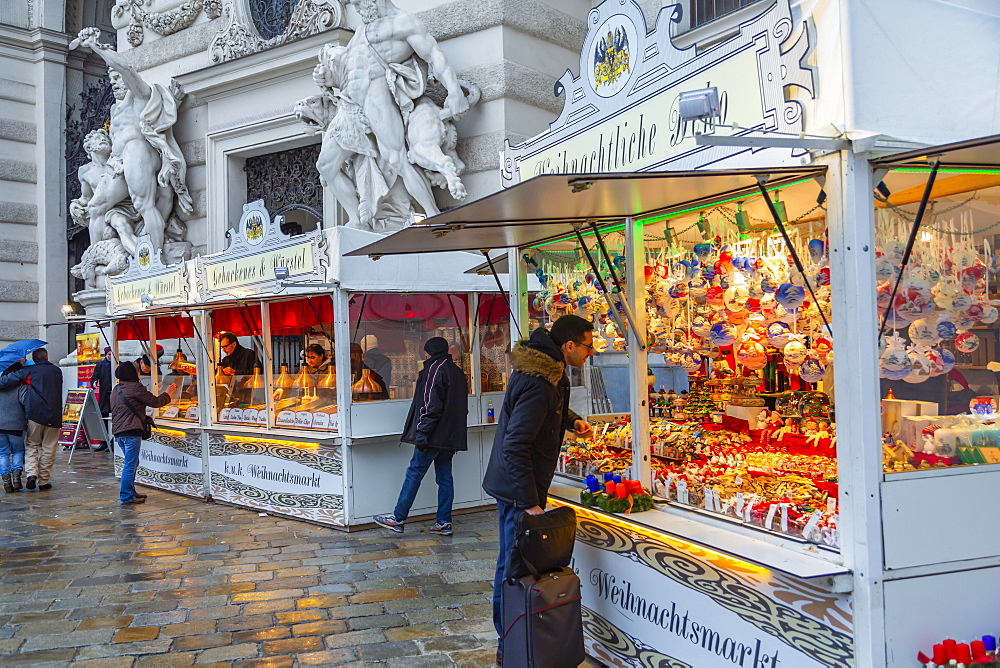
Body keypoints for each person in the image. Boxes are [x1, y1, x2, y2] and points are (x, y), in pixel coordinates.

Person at [481, 315, 595, 662]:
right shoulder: (540, 380)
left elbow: (546, 408)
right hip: (518, 487)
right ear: (570, 346)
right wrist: (530, 502)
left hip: (518, 483)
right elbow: (516, 444)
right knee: (512, 566)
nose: (591, 352)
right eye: (589, 346)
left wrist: (571, 420)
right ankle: (509, 643)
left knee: (513, 562)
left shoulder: (548, 371)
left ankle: (514, 638)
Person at [374, 337, 468, 536]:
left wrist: (422, 433)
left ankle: (398, 518)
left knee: (414, 473)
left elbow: (429, 405)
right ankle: (443, 522)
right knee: (445, 478)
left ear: (428, 352)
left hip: (433, 435)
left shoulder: (434, 370)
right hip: (450, 436)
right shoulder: (457, 371)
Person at [110, 361, 175, 505]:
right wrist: (168, 393)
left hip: (119, 433)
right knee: (130, 464)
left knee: (132, 462)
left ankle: (131, 492)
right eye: (138, 371)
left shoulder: (116, 389)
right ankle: (126, 496)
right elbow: (156, 402)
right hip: (131, 432)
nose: (140, 373)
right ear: (133, 374)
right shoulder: (135, 388)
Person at [0, 349, 65, 491]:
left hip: (35, 414)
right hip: (54, 415)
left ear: (34, 359)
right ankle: (43, 481)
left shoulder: (30, 370)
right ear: (47, 356)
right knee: (49, 448)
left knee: (32, 445)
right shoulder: (57, 371)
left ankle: (31, 474)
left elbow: (8, 380)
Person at [0, 360, 26, 492]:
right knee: (18, 451)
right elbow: (25, 403)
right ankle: (17, 479)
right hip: (17, 424)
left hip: (0, 425)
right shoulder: (20, 387)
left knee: (3, 453)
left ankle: (6, 482)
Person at [90, 347, 113, 452]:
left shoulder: (118, 364)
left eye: (111, 354)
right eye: (108, 354)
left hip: (115, 395)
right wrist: (94, 383)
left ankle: (113, 441)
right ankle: (103, 441)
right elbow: (94, 377)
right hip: (104, 395)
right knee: (103, 417)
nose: (110, 357)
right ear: (105, 355)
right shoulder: (100, 365)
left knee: (115, 417)